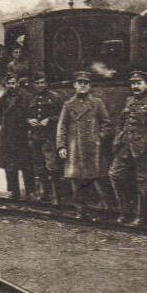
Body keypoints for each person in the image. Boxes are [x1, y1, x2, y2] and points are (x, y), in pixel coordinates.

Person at [109, 70, 147, 226]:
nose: (135, 86)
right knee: (114, 175)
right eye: (133, 83)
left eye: (139, 83)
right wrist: (119, 136)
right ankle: (124, 211)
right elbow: (121, 121)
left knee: (142, 181)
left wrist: (143, 142)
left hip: (143, 149)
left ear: (146, 85)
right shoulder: (129, 101)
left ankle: (140, 216)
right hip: (125, 147)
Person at [56, 71, 112, 219]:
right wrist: (61, 146)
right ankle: (80, 211)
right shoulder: (68, 105)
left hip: (93, 147)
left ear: (89, 86)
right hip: (75, 147)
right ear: (74, 85)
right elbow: (61, 127)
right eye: (80, 82)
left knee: (97, 177)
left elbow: (106, 124)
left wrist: (98, 138)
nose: (82, 85)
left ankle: (105, 210)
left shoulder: (97, 103)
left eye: (85, 83)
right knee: (76, 179)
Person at [0, 73, 35, 199]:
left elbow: (30, 113)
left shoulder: (26, 97)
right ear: (6, 85)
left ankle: (31, 191)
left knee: (27, 165)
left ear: (17, 83)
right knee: (9, 166)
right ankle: (13, 191)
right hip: (8, 135)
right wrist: (7, 126)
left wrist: (22, 125)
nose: (11, 86)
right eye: (8, 84)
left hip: (22, 134)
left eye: (13, 83)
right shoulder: (2, 99)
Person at [27, 72, 62, 205]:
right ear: (34, 85)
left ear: (46, 83)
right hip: (36, 137)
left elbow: (62, 117)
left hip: (49, 137)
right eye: (37, 83)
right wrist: (30, 120)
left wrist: (50, 120)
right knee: (39, 166)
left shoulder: (55, 97)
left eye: (42, 82)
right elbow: (26, 116)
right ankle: (45, 194)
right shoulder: (31, 99)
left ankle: (56, 196)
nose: (40, 85)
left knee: (52, 166)